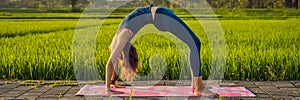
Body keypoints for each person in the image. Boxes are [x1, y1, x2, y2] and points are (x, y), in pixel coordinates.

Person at [106, 4, 204, 95]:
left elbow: (111, 61)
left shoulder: (119, 39)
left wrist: (111, 82)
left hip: (161, 15)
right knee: (195, 43)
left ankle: (194, 85)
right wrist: (109, 85)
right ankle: (198, 87)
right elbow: (111, 61)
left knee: (194, 43)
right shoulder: (122, 35)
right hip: (161, 16)